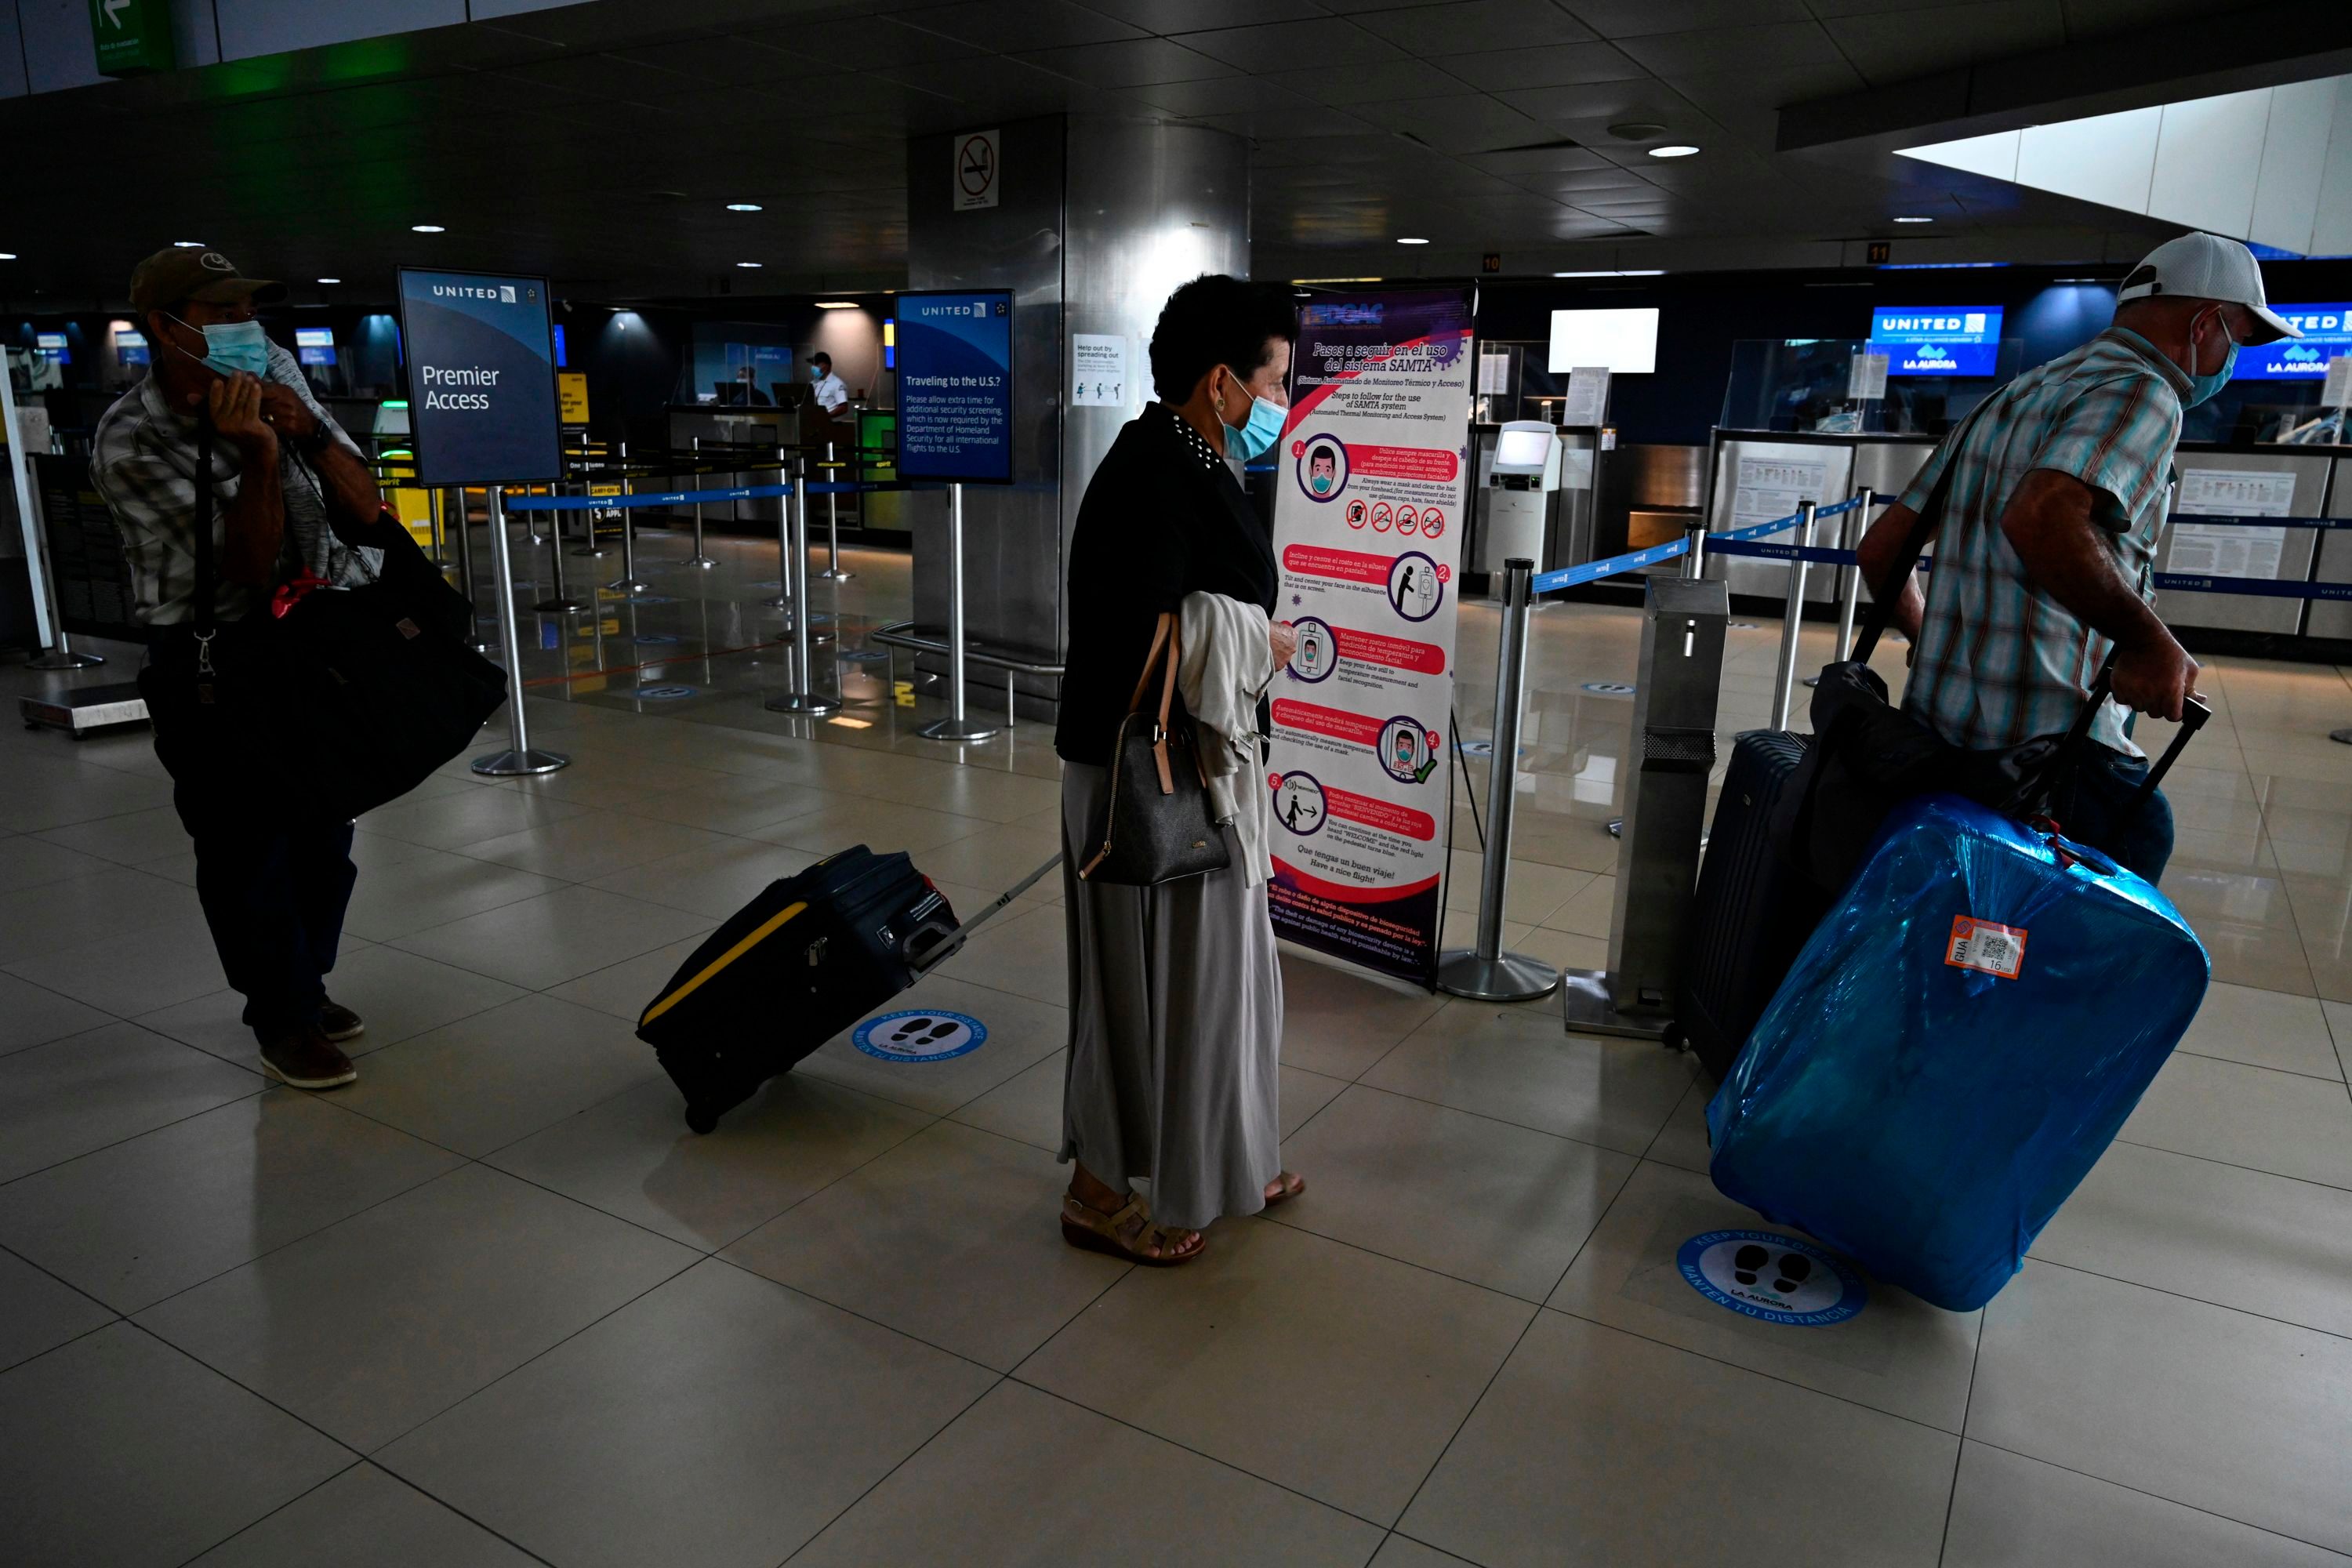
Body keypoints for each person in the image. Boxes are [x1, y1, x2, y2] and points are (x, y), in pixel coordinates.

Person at [1856, 231, 2301, 883]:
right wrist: (2150, 642)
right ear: (2205, 323)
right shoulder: (2144, 393)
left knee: (1968, 935)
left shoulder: (2010, 397)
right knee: (2122, 876)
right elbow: (2040, 515)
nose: (2234, 357)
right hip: (2053, 754)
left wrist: (1931, 636)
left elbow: (1882, 548)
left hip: (1941, 748)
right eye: (2240, 336)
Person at [92, 246, 388, 1090]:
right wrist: (259, 456)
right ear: (165, 325)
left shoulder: (281, 374)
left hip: (306, 641)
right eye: (222, 315)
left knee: (326, 835)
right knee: (243, 846)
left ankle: (304, 978)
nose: (245, 332)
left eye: (247, 313)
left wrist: (300, 431)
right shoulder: (130, 438)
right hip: (210, 657)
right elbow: (245, 569)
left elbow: (365, 505)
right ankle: (282, 1014)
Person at [1052, 274, 1302, 1265]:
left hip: (1199, 766)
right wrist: (1260, 642)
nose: (1282, 404)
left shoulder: (1197, 455)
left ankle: (1227, 1155)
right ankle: (1097, 1190)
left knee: (1221, 975)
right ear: (1221, 382)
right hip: (1139, 778)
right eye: (1275, 379)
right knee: (1139, 989)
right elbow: (1136, 633)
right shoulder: (1154, 466)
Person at [806, 351, 848, 415]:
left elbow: (843, 408)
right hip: (813, 422)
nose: (813, 367)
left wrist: (825, 417)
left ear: (827, 366)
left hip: (830, 423)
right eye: (813, 364)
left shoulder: (837, 384)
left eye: (816, 364)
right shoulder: (812, 384)